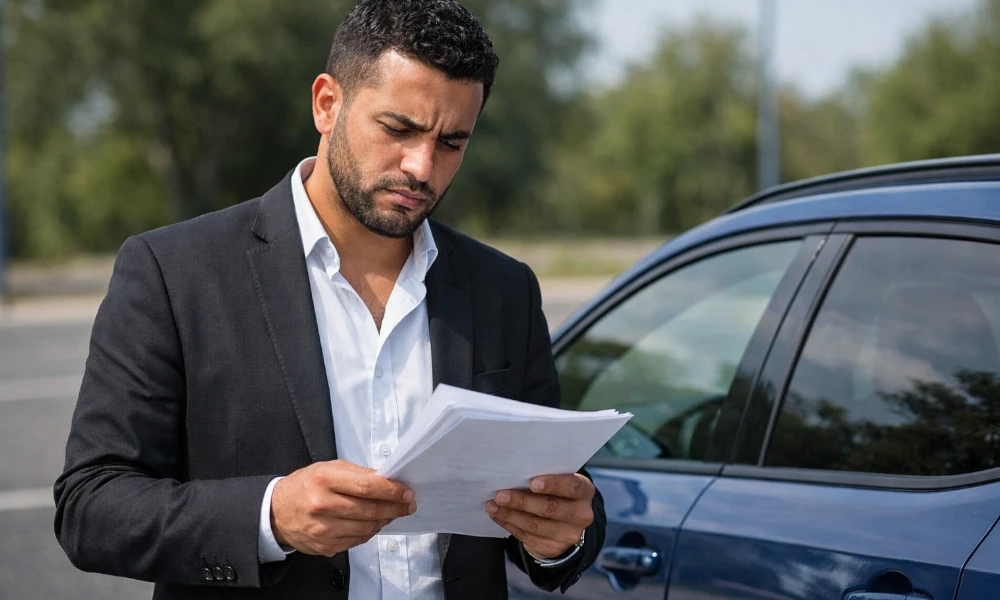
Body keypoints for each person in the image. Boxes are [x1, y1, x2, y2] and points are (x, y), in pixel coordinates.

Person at [53, 1, 606, 598]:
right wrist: (270, 517)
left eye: (451, 142)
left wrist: (561, 537)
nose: (422, 167)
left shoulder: (506, 288)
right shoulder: (174, 272)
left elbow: (562, 506)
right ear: (326, 103)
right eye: (398, 129)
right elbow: (91, 507)